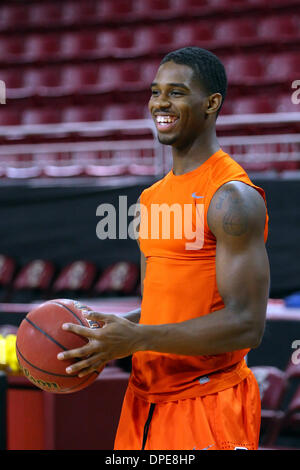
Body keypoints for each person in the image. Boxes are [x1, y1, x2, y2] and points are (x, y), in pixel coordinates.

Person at [57, 47, 270, 450]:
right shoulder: (151, 198)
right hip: (143, 401)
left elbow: (247, 323)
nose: (160, 103)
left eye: (175, 92)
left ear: (211, 104)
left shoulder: (232, 197)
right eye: (155, 92)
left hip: (207, 403)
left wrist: (137, 338)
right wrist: (110, 334)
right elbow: (161, 309)